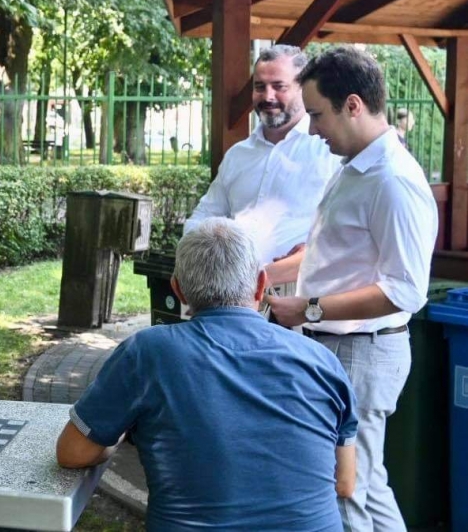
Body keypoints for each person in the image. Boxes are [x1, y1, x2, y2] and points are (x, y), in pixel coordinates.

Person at [57, 218, 358, 531]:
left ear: (178, 289)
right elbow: (346, 482)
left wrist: (113, 439)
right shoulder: (324, 362)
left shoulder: (147, 353)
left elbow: (73, 452)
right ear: (260, 284)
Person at [266, 46, 438, 532]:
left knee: (345, 492)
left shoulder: (392, 180)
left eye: (318, 114)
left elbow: (405, 290)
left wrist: (308, 310)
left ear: (354, 105)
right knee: (368, 484)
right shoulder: (354, 166)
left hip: (359, 352)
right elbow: (332, 253)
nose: (312, 129)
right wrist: (266, 272)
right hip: (343, 349)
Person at [184, 44, 340, 265]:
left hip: (299, 282)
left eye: (279, 86)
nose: (268, 96)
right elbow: (204, 216)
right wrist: (194, 252)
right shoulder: (238, 155)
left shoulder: (328, 151)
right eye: (260, 87)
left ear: (303, 89)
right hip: (234, 282)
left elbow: (348, 233)